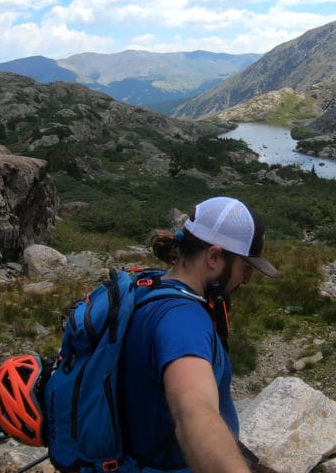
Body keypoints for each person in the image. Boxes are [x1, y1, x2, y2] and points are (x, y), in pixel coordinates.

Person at [119, 196, 278, 473]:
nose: (246, 279)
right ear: (214, 257)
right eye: (245, 267)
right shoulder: (183, 320)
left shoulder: (149, 285)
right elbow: (193, 411)